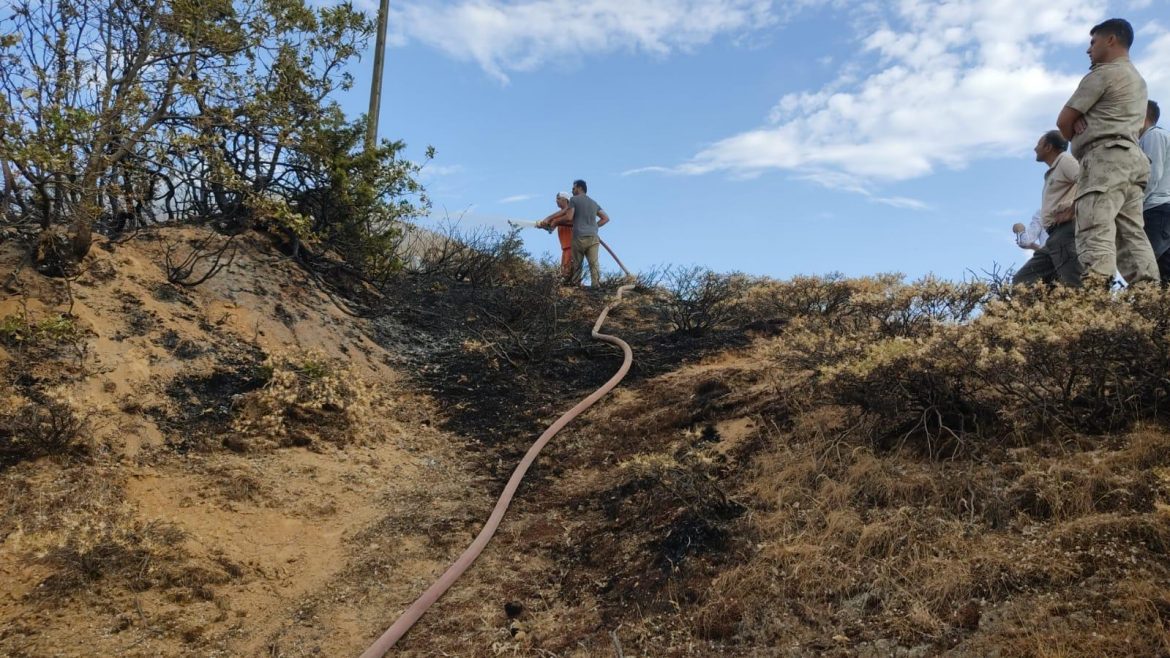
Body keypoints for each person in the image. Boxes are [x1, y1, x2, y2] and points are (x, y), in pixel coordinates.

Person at [1057, 18, 1157, 287]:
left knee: (1094, 228)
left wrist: (1075, 130)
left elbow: (1063, 122)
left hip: (1104, 159)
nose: (1089, 50)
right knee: (1131, 235)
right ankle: (1152, 304)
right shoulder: (1137, 80)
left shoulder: (1103, 73)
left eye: (1093, 42)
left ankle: (1095, 301)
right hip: (1131, 159)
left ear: (1110, 40)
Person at [1013, 131, 1083, 287]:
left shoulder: (1065, 160)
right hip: (1053, 237)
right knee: (1022, 281)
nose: (1035, 148)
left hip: (1066, 231)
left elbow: (1087, 180)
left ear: (1048, 147)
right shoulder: (1054, 169)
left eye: (1039, 144)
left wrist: (1073, 209)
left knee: (1074, 284)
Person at [1139, 100, 1170, 283]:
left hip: (1156, 209)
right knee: (1164, 271)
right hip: (1161, 211)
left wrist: (1133, 206)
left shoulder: (1153, 136)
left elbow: (1151, 175)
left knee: (1148, 270)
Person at [563, 179, 610, 288]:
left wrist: (555, 221)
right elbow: (606, 218)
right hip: (593, 237)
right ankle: (596, 285)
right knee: (594, 264)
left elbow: (569, 217)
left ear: (579, 188)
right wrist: (594, 227)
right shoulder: (594, 203)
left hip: (579, 237)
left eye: (573, 188)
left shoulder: (573, 200)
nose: (572, 190)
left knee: (577, 264)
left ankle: (575, 285)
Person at [535, 192, 574, 279]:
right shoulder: (559, 215)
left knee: (569, 271)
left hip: (572, 245)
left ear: (565, 200)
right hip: (565, 247)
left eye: (558, 198)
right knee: (564, 271)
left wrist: (550, 219)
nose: (556, 201)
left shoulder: (571, 211)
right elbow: (551, 228)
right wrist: (542, 226)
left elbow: (566, 217)